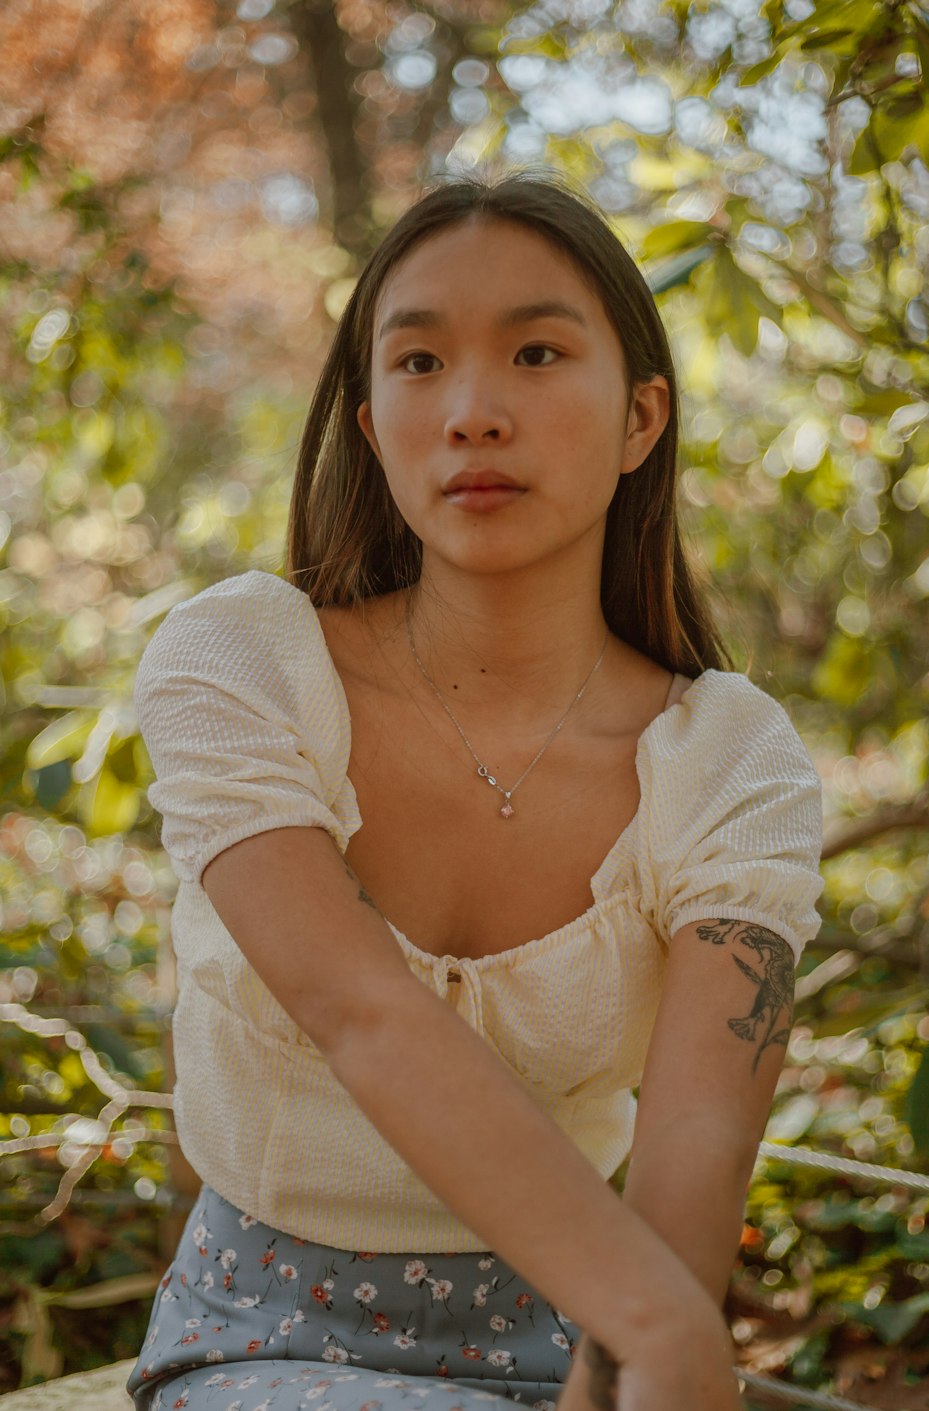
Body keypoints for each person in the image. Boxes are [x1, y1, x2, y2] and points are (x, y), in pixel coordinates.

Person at [126, 169, 825, 1411]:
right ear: (366, 416)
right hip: (260, 1338)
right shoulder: (246, 662)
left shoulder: (725, 755)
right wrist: (663, 1325)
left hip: (589, 1334)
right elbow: (361, 1013)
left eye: (538, 353)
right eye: (418, 363)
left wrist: (640, 1351)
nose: (472, 412)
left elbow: (695, 1134)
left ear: (640, 419)